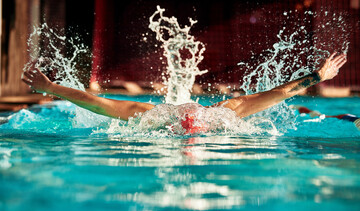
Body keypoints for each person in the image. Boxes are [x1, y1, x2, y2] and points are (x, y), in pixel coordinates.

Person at [22, 53, 347, 133]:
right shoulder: (157, 117)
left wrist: (318, 75)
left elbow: (280, 92)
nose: (190, 115)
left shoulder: (225, 113)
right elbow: (97, 101)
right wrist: (50, 87)